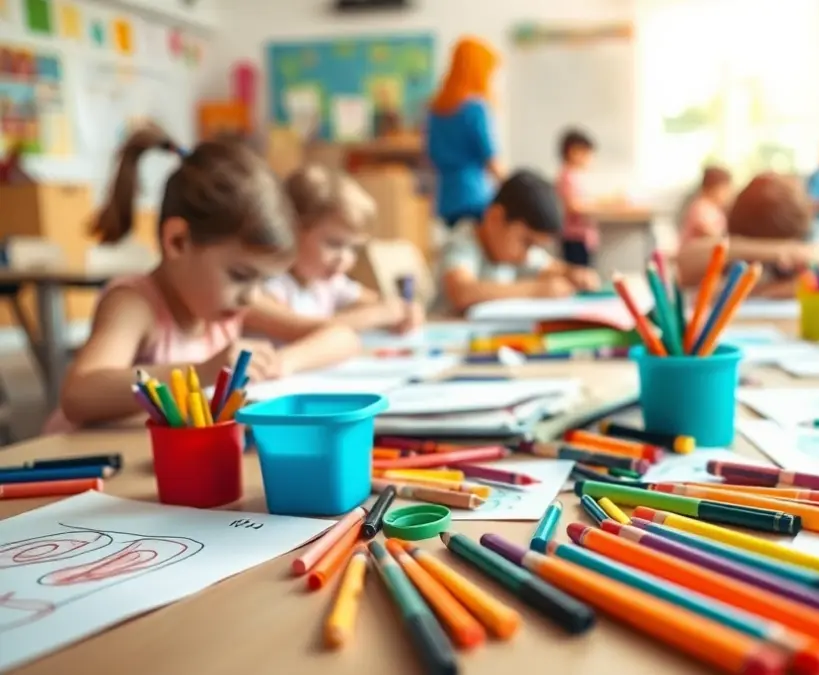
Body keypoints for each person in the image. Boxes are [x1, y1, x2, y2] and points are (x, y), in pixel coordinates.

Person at [51, 126, 360, 430]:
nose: (251, 296)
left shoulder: (227, 305)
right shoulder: (135, 305)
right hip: (81, 466)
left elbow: (342, 336)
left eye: (261, 281)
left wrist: (282, 363)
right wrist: (201, 373)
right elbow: (79, 394)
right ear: (178, 242)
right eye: (240, 275)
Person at [253, 164, 423, 333]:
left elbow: (380, 302)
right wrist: (376, 315)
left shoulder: (329, 283)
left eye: (354, 249)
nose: (345, 258)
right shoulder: (270, 286)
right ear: (290, 231)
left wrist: (405, 310)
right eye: (334, 244)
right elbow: (306, 330)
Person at [440, 169, 600, 314]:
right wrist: (536, 291)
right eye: (526, 242)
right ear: (496, 219)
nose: (527, 255)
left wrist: (573, 274)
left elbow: (551, 267)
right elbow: (462, 292)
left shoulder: (516, 252)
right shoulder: (463, 240)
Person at [677, 172, 819, 296]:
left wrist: (753, 291)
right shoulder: (744, 226)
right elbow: (684, 266)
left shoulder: (812, 230)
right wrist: (776, 250)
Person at [426, 37, 503, 229]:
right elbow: (490, 158)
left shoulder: (435, 109)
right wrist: (515, 187)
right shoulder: (475, 108)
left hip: (446, 198)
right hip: (474, 195)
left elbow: (431, 155)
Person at [556, 128, 597, 267]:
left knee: (585, 272)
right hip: (574, 237)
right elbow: (573, 206)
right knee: (577, 275)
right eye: (586, 154)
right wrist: (594, 208)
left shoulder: (576, 176)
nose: (589, 159)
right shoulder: (566, 176)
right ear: (573, 152)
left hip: (583, 237)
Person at [679, 165, 733, 248]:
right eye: (725, 189)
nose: (728, 194)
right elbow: (706, 231)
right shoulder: (701, 207)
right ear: (714, 188)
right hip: (694, 255)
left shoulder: (715, 208)